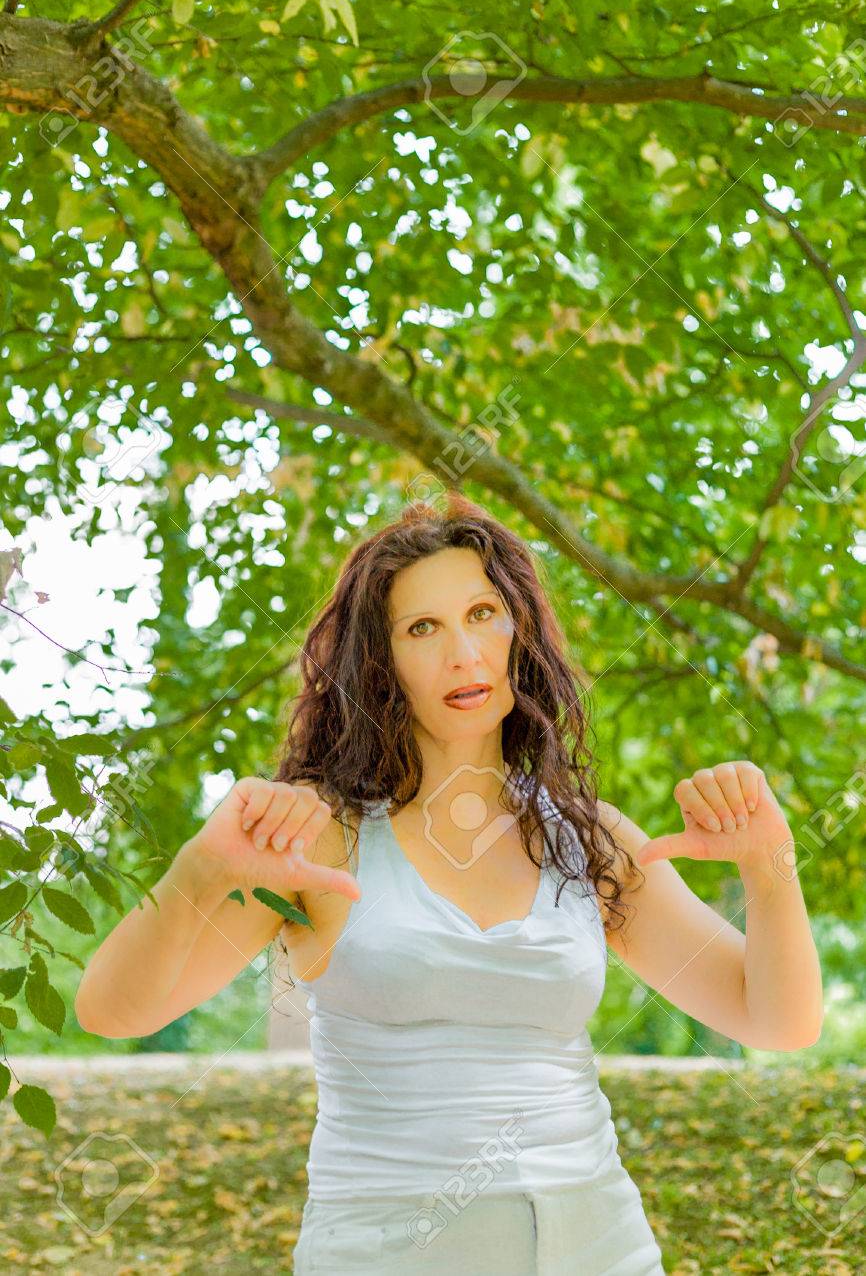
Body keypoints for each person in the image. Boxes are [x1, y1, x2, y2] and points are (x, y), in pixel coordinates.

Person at [76, 492, 822, 1274]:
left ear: (518, 633)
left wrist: (769, 863)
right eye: (422, 629)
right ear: (382, 663)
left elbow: (777, 1020)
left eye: (483, 613)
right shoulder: (324, 839)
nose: (463, 653)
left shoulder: (591, 843)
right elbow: (113, 1009)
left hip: (599, 1248)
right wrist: (200, 867)